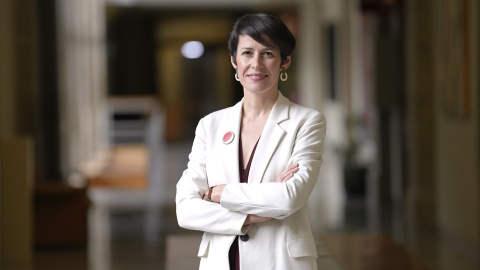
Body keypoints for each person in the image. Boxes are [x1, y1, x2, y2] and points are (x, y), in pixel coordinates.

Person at [176, 13, 326, 270]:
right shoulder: (210, 126)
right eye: (247, 53)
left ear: (285, 61)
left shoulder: (307, 121)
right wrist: (256, 213)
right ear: (234, 60)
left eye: (267, 53)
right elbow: (186, 210)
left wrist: (218, 193)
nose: (256, 63)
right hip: (221, 262)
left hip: (281, 261)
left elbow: (290, 197)